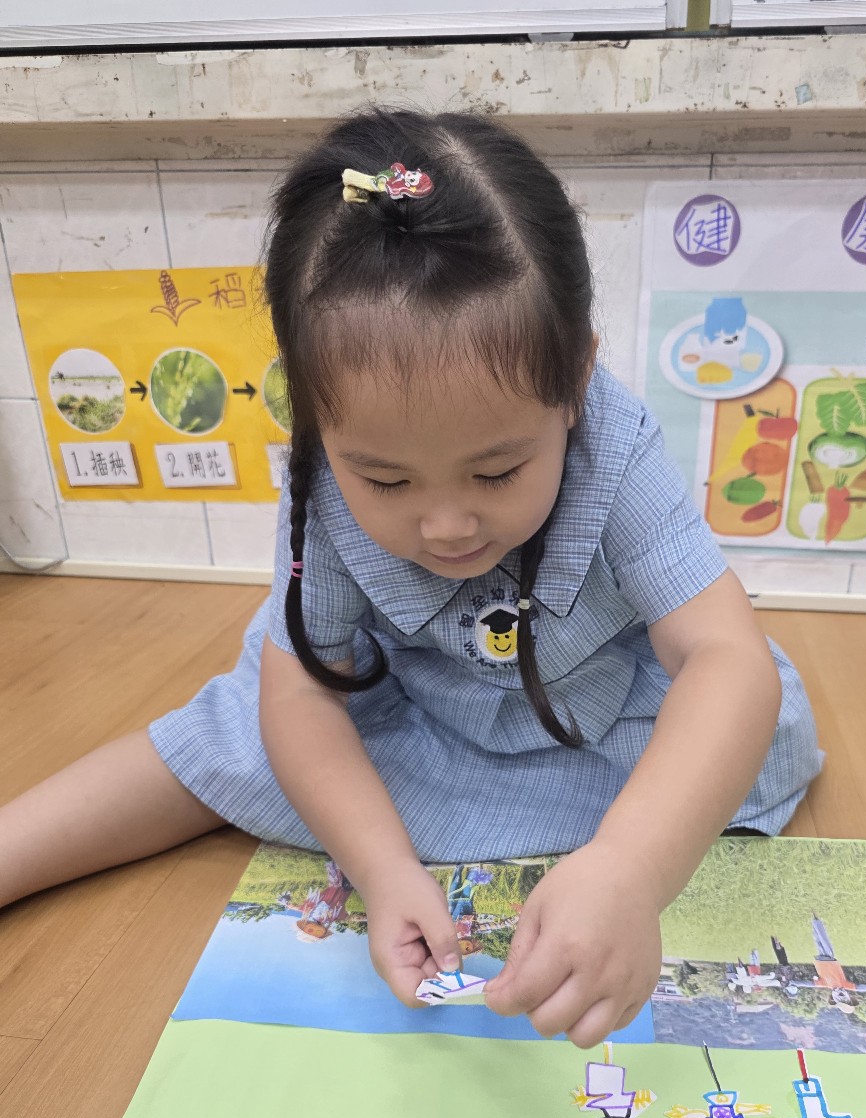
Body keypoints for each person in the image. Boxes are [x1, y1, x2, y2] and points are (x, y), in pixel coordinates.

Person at [0, 108, 822, 1047]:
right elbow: (303, 694)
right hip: (413, 715)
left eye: (497, 471)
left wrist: (632, 868)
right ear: (313, 414)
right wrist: (382, 867)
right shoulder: (319, 480)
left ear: (575, 381)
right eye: (385, 481)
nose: (446, 525)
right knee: (241, 729)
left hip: (600, 720)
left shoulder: (616, 447)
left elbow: (724, 657)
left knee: (738, 740)